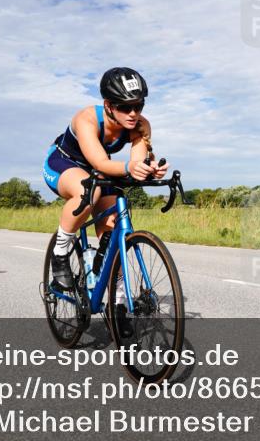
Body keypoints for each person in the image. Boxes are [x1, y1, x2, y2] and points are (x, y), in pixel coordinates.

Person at [42, 68, 168, 327]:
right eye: (125, 106)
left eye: (138, 105)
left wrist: (147, 168)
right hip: (64, 164)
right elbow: (99, 161)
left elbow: (136, 161)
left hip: (100, 172)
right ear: (108, 105)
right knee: (88, 191)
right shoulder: (87, 118)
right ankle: (60, 253)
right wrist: (129, 168)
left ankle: (117, 303)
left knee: (116, 231)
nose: (133, 113)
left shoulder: (140, 125)